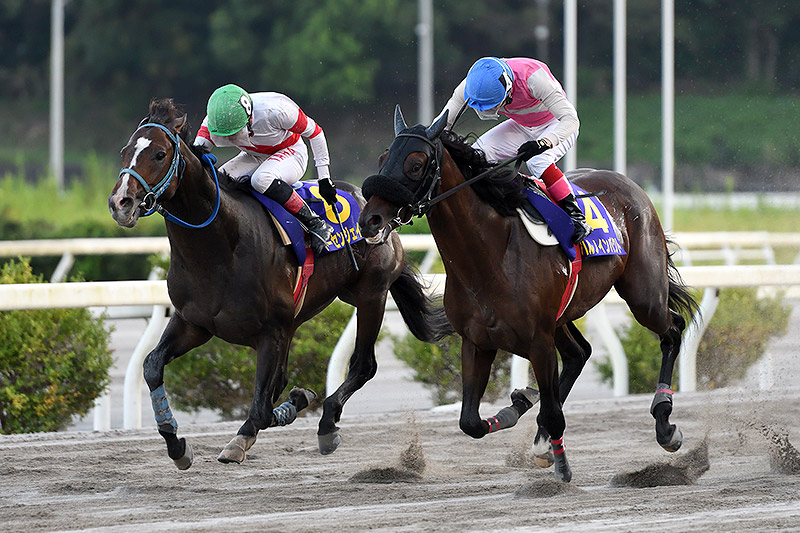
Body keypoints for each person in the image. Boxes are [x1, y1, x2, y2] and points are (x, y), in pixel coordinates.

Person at [439, 56, 592, 244]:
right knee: (477, 153)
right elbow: (442, 124)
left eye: (496, 104)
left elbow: (571, 120)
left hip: (557, 125)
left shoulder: (535, 78)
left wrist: (543, 143)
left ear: (508, 88)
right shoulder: (470, 85)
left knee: (538, 161)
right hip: (523, 125)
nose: (493, 110)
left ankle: (577, 216)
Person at [194, 84, 336, 254]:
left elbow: (316, 133)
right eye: (227, 135)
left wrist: (324, 178)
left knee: (261, 179)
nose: (231, 138)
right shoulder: (214, 121)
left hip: (291, 152)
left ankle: (315, 223)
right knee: (219, 181)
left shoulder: (278, 110)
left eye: (234, 133)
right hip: (254, 155)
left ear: (250, 118)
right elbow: (196, 156)